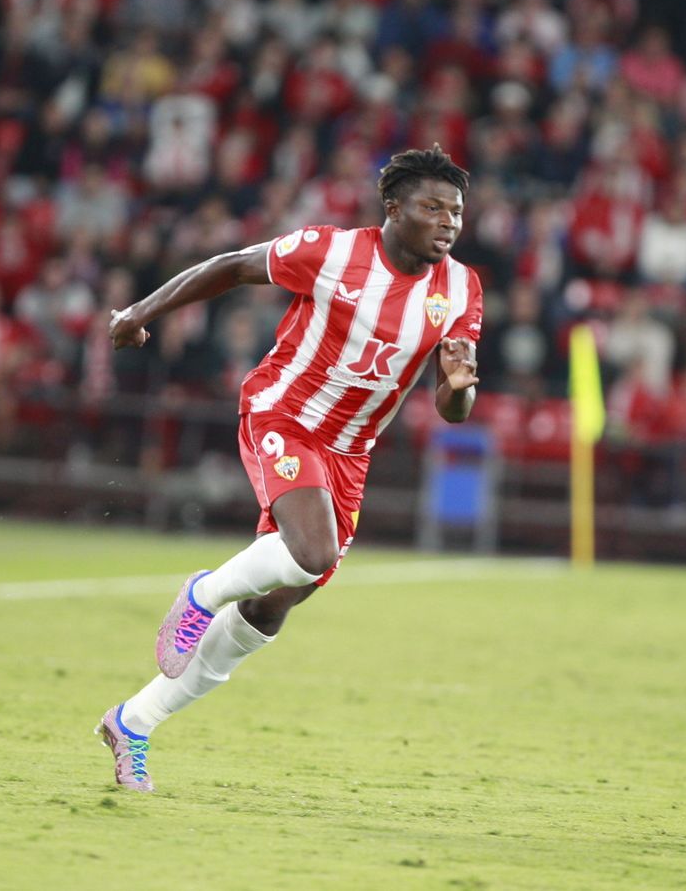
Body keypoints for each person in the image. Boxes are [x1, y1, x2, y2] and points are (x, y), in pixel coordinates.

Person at [96, 146, 484, 791]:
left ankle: (132, 722)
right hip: (285, 413)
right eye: (433, 207)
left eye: (457, 212)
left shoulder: (462, 288)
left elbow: (453, 407)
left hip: (350, 454)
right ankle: (202, 594)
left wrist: (459, 385)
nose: (448, 221)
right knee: (311, 549)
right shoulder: (332, 252)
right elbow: (231, 267)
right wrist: (140, 313)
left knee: (276, 605)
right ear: (393, 209)